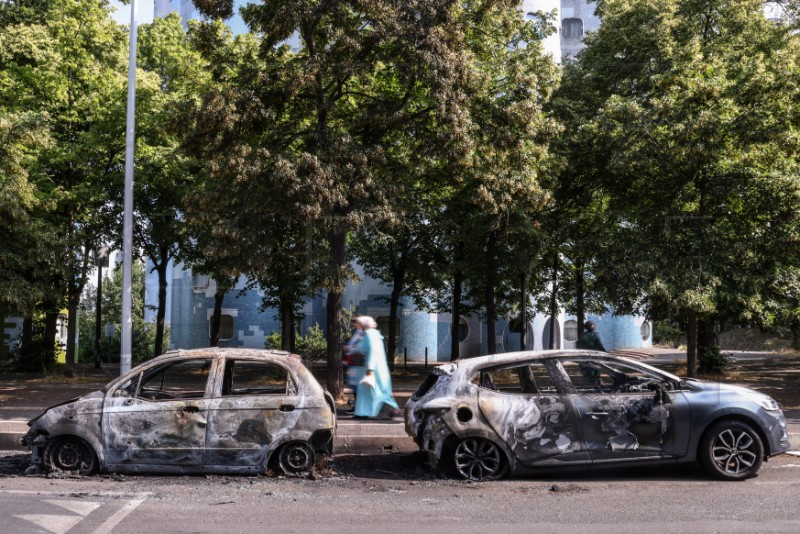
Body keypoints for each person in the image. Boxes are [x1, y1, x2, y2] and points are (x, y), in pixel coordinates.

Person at [353, 316, 400, 420]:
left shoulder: (369, 335)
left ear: (364, 324)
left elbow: (372, 353)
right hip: (378, 368)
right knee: (377, 390)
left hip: (373, 368)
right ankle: (366, 412)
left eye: (358, 323)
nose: (356, 325)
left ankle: (364, 412)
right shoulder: (374, 334)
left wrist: (370, 369)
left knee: (371, 390)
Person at [343, 318, 366, 412]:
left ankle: (358, 407)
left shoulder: (362, 333)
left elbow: (359, 347)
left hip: (358, 364)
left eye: (357, 322)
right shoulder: (358, 332)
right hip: (354, 363)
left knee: (358, 387)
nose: (355, 324)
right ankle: (357, 407)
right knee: (355, 387)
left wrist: (349, 348)